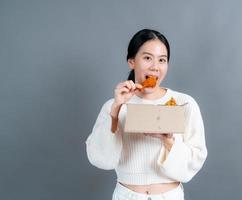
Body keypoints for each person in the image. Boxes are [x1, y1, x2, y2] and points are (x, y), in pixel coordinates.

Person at [85, 29, 207, 200]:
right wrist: (115, 113)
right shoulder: (115, 105)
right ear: (132, 61)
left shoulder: (184, 103)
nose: (155, 67)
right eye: (147, 58)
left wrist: (168, 141)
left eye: (162, 60)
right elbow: (100, 159)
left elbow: (195, 161)